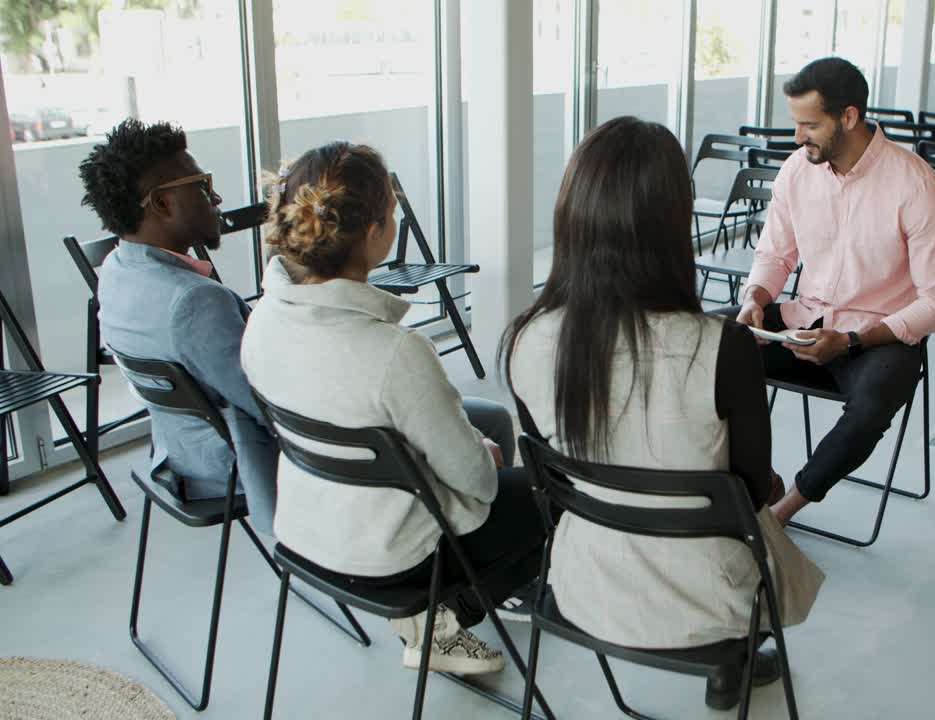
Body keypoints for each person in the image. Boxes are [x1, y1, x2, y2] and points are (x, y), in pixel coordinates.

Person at [504, 116, 824, 711]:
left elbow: (555, 474)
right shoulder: (720, 347)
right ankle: (734, 655)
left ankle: (733, 653)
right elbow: (754, 488)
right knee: (765, 533)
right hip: (708, 600)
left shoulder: (528, 338)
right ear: (673, 225)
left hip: (583, 582)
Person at [240, 141, 542, 676]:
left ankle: (447, 613)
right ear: (375, 231)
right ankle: (440, 620)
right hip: (392, 560)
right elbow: (481, 481)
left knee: (485, 422)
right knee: (550, 495)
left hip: (306, 530)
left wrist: (474, 446)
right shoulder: (395, 353)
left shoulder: (261, 322)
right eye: (393, 209)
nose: (397, 218)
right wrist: (482, 455)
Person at [732, 57, 935, 525]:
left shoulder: (916, 185)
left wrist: (853, 340)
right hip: (805, 323)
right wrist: (756, 298)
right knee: (706, 349)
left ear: (849, 117)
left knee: (872, 407)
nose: (797, 138)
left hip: (879, 338)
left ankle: (783, 511)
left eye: (809, 125)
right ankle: (759, 481)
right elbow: (776, 255)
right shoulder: (797, 170)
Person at [79, 119, 278, 532]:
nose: (216, 198)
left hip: (179, 454)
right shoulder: (195, 301)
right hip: (235, 466)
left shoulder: (115, 271)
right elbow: (272, 407)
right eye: (203, 187)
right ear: (162, 204)